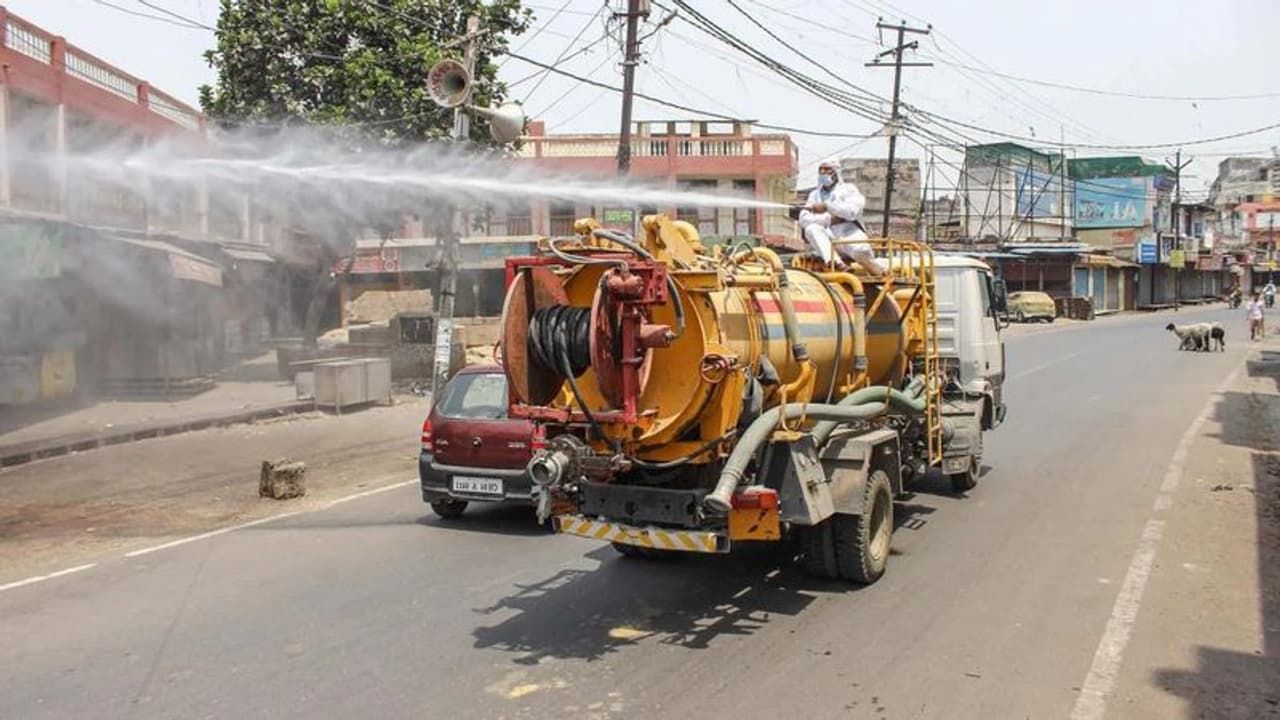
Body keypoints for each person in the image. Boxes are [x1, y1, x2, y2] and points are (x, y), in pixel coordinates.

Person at [798, 159, 884, 276]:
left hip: (848, 234)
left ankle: (880, 272)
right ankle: (837, 263)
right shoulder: (814, 195)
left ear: (836, 172)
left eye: (827, 169)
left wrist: (828, 207)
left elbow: (852, 212)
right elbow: (803, 218)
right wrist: (828, 220)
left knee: (861, 251)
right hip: (828, 240)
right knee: (811, 229)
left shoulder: (849, 190)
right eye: (820, 169)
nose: (823, 172)